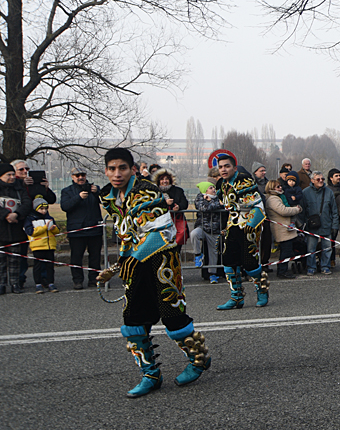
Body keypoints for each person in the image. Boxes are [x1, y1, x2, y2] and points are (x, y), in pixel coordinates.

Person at [99, 148, 210, 397]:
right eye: (112, 168)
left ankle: (199, 358)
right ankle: (151, 375)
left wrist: (131, 258)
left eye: (122, 168)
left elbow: (163, 231)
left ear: (132, 169)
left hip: (162, 259)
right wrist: (118, 265)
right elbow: (127, 233)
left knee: (172, 314)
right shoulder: (107, 196)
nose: (117, 174)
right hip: (135, 262)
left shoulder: (147, 190)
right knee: (133, 319)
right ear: (105, 170)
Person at [214, 153, 269, 309]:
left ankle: (262, 290)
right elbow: (229, 208)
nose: (223, 170)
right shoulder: (221, 185)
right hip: (233, 225)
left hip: (249, 223)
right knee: (228, 262)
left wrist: (252, 223)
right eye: (220, 167)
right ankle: (236, 297)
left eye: (227, 166)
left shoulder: (243, 181)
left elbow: (258, 205)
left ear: (234, 167)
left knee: (249, 262)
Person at [60, 167, 104, 289]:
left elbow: (106, 202)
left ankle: (94, 279)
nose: (80, 177)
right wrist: (78, 197)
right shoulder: (67, 191)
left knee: (95, 256)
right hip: (77, 231)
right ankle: (77, 280)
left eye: (82, 175)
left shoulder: (93, 189)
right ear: (72, 177)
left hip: (94, 229)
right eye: (77, 175)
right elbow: (65, 206)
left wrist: (98, 193)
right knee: (76, 257)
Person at [0, 162, 31, 294]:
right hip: (1, 229)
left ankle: (15, 284)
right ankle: (1, 284)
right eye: (9, 175)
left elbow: (27, 203)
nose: (12, 177)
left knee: (15, 259)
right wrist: (6, 215)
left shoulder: (19, 188)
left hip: (16, 229)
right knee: (1, 261)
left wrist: (16, 214)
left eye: (13, 174)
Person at [263, 179, 302, 279]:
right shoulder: (272, 199)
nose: (280, 188)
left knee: (287, 250)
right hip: (281, 228)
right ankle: (282, 271)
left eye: (280, 186)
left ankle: (283, 269)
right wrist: (296, 209)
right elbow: (283, 211)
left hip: (286, 227)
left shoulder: (279, 197)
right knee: (285, 251)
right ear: (272, 188)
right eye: (278, 187)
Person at [302, 171, 339, 275]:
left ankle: (325, 266)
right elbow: (302, 211)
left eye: (322, 179)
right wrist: (303, 224)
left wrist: (335, 226)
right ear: (312, 180)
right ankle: (311, 267)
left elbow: (334, 210)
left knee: (327, 248)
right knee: (311, 249)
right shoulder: (305, 192)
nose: (321, 181)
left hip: (326, 225)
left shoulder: (329, 192)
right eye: (318, 179)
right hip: (312, 227)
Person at [25, 197, 60, 292]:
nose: (44, 211)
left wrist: (53, 229)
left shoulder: (50, 218)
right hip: (38, 246)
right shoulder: (30, 219)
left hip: (50, 246)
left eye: (45, 209)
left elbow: (57, 231)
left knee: (50, 266)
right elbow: (31, 232)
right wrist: (45, 227)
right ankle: (38, 284)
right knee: (38, 266)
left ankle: (51, 283)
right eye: (41, 209)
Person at [191, 181, 223, 283]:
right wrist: (215, 204)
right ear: (205, 190)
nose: (214, 189)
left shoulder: (218, 197)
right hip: (203, 227)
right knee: (194, 234)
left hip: (214, 229)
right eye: (210, 188)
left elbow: (225, 205)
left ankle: (212, 274)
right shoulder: (200, 197)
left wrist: (212, 202)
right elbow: (203, 208)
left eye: (214, 187)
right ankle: (197, 255)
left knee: (213, 252)